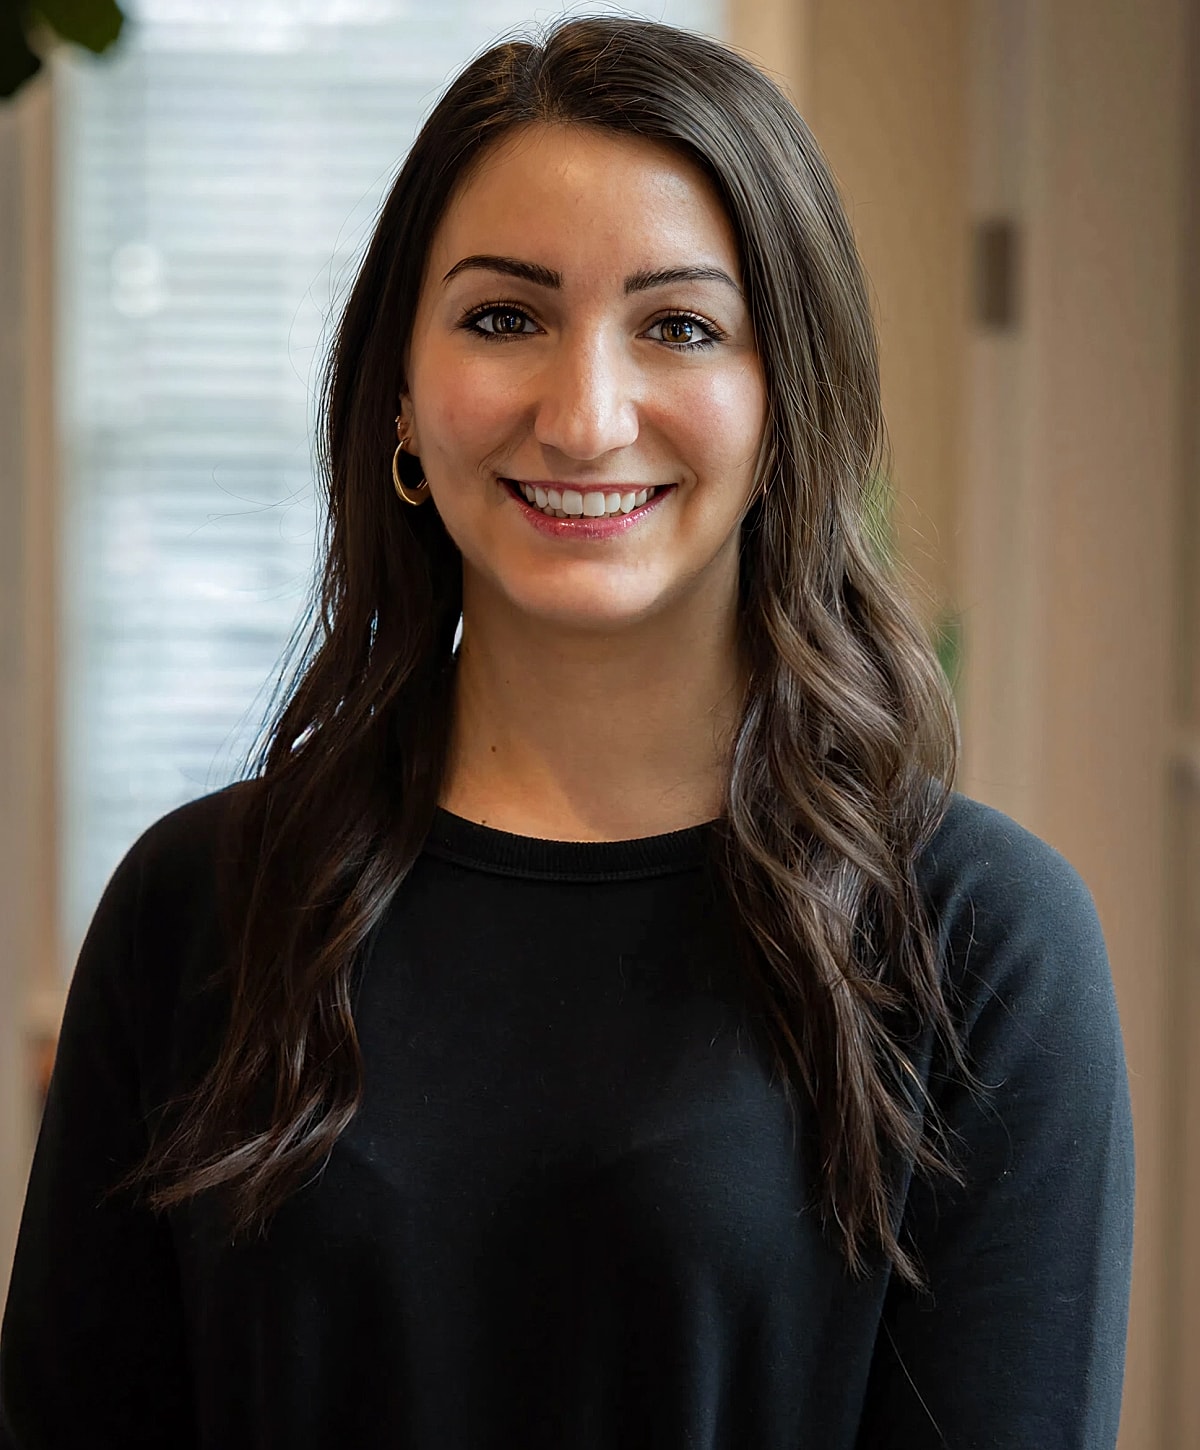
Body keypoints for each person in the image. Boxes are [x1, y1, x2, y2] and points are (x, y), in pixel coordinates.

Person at [0, 15, 1134, 1449]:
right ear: (401, 401)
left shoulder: (981, 945)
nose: (586, 415)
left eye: (680, 325)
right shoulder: (197, 909)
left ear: (785, 411)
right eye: (503, 317)